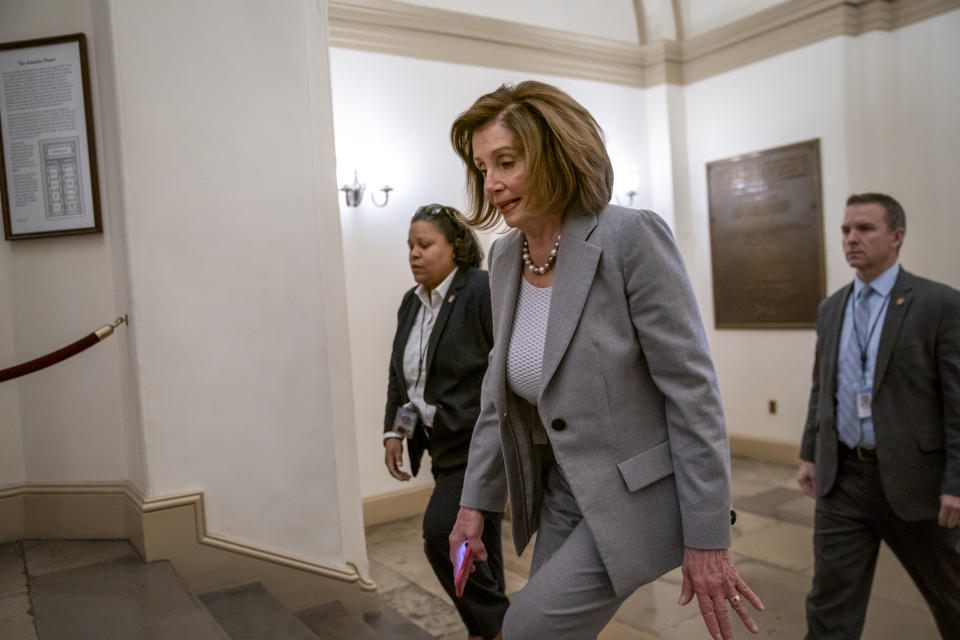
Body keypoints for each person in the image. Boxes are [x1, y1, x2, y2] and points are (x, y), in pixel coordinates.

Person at [445, 80, 763, 640]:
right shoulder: (503, 259)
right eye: (482, 167)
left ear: (553, 156)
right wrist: (475, 505)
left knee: (525, 628)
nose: (491, 184)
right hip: (562, 493)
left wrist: (709, 537)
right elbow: (499, 399)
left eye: (507, 162)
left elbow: (692, 396)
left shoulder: (630, 238)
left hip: (635, 495)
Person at [798, 193, 960, 639]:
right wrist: (810, 453)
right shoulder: (832, 309)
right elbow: (821, 389)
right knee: (829, 604)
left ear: (897, 236)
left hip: (917, 483)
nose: (852, 239)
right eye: (846, 230)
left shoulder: (938, 305)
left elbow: (958, 402)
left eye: (865, 229)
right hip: (844, 479)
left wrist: (956, 482)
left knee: (953, 597)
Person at [382, 204, 509, 640]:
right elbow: (401, 374)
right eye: (410, 247)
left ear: (454, 246)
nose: (414, 254)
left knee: (442, 535)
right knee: (479, 543)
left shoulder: (479, 290)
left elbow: (504, 363)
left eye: (425, 244)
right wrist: (395, 432)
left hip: (476, 443)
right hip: (439, 444)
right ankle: (488, 627)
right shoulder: (410, 302)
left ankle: (496, 624)